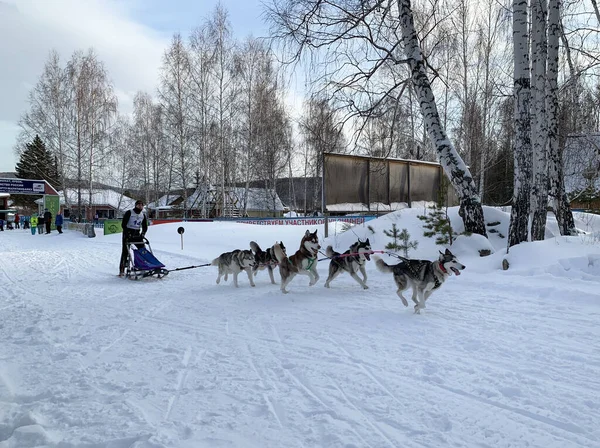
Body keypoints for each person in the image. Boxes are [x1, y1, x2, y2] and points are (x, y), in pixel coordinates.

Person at [119, 200, 148, 277]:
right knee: (125, 251)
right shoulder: (129, 212)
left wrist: (143, 234)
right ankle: (122, 270)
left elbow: (145, 226)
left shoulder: (143, 215)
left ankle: (142, 266)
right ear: (135, 205)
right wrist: (127, 233)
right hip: (128, 233)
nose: (140, 207)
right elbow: (123, 224)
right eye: (138, 205)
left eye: (141, 205)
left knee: (142, 250)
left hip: (137, 234)